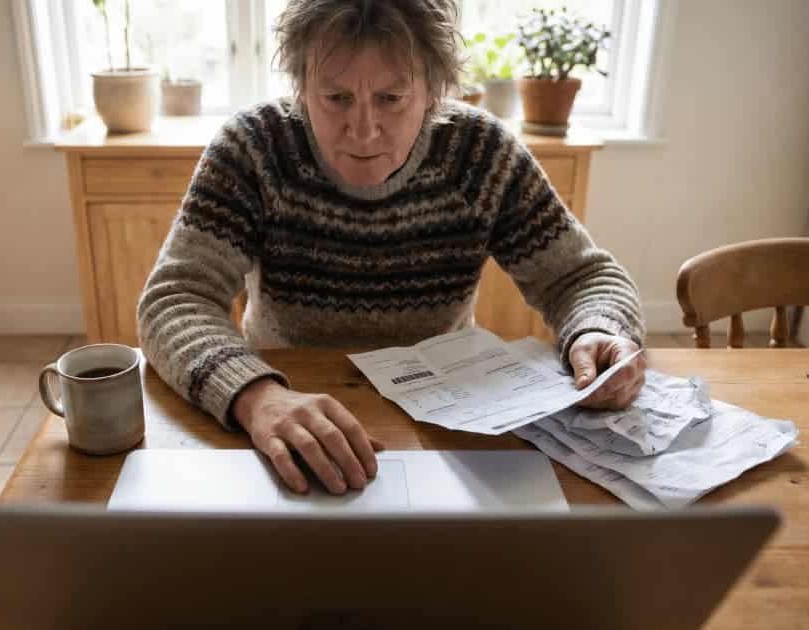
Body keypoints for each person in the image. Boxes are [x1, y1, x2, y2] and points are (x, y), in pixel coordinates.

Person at [137, 0, 646, 496]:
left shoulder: (481, 154)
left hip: (448, 422)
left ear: (433, 91)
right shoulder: (254, 149)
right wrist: (253, 394)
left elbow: (580, 278)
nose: (362, 130)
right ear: (300, 87)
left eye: (391, 99)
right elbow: (175, 298)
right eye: (335, 98)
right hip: (284, 410)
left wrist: (599, 328)